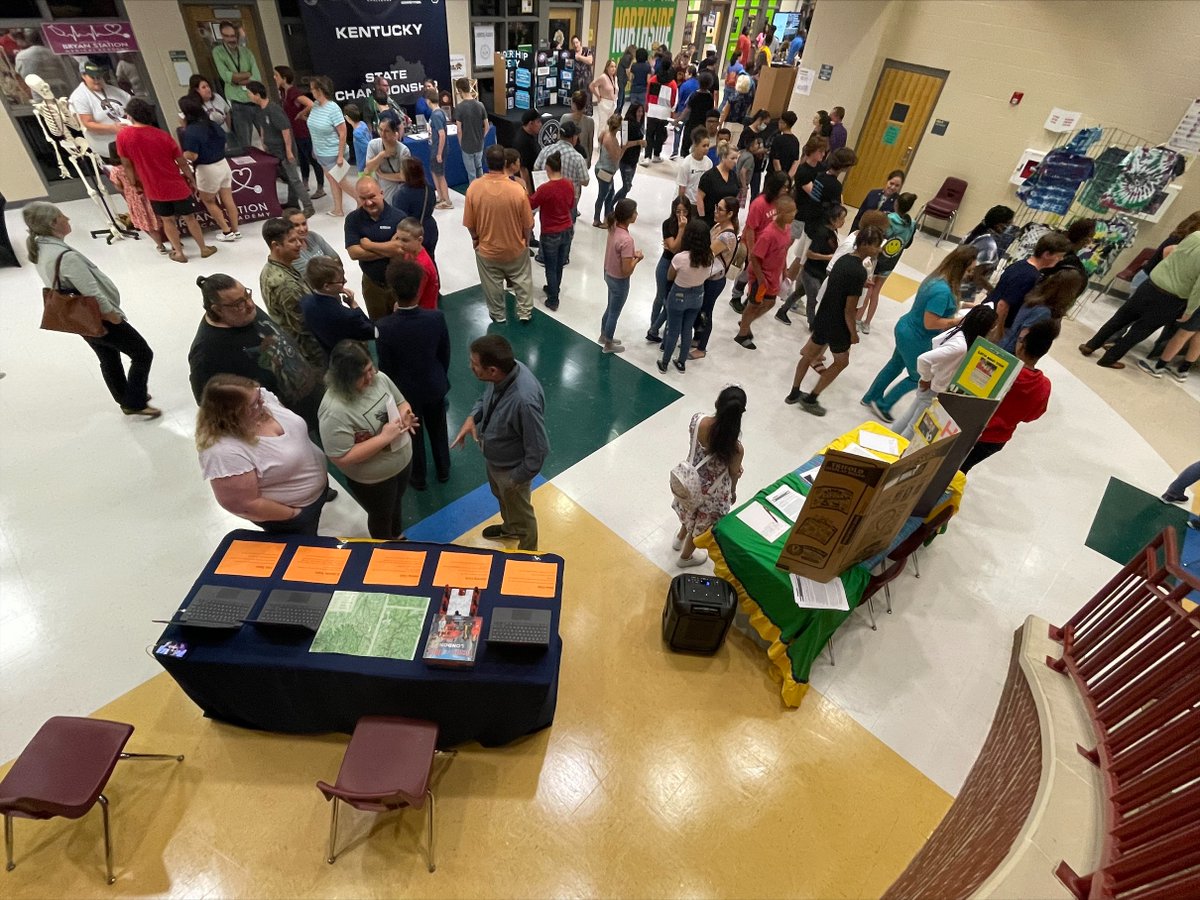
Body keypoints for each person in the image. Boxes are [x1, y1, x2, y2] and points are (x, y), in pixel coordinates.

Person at [24, 202, 159, 418]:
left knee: (107, 356)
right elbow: (92, 292)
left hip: (78, 317)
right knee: (142, 353)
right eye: (61, 216)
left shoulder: (40, 247)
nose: (67, 218)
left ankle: (124, 397)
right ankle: (135, 401)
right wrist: (112, 316)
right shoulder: (67, 257)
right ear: (52, 224)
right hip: (98, 316)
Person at [197, 375, 331, 535]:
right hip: (291, 515)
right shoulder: (223, 451)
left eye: (259, 396)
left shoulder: (261, 398)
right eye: (254, 404)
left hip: (315, 493)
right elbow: (245, 505)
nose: (262, 402)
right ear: (232, 413)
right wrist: (294, 516)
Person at [189, 274, 324, 430]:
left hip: (313, 399)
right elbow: (210, 405)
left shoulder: (245, 312)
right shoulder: (206, 352)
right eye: (239, 303)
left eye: (247, 295)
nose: (250, 305)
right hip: (285, 425)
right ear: (217, 309)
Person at [452, 335, 549, 551]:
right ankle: (510, 528)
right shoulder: (505, 373)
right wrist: (473, 417)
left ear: (492, 370)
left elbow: (539, 450)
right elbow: (487, 400)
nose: (470, 367)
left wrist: (515, 479)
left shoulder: (525, 401)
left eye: (474, 364)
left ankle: (527, 555)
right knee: (503, 500)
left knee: (524, 517)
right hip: (495, 461)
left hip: (512, 470)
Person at [860, 244, 974, 423]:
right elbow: (931, 323)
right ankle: (883, 405)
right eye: (969, 269)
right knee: (918, 376)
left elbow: (938, 307)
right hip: (917, 337)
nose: (970, 274)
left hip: (906, 328)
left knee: (895, 364)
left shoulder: (936, 279)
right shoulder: (943, 291)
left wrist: (966, 306)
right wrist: (957, 321)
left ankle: (870, 396)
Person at [319, 340, 417, 539]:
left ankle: (396, 536)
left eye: (371, 368)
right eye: (362, 375)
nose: (371, 377)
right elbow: (342, 457)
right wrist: (384, 437)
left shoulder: (380, 379)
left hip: (401, 462)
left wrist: (405, 416)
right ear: (345, 379)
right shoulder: (334, 411)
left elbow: (401, 402)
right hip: (374, 481)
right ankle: (383, 548)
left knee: (396, 503)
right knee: (381, 515)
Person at [785, 226, 884, 415]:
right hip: (838, 325)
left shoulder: (843, 260)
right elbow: (849, 310)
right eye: (875, 246)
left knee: (808, 355)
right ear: (864, 244)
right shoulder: (860, 271)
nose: (878, 250)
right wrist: (853, 333)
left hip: (823, 316)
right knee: (841, 362)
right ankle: (812, 398)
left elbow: (839, 283)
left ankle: (794, 392)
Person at [378, 259, 452, 489]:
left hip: (404, 393)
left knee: (413, 434)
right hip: (434, 385)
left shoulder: (384, 326)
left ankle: (418, 477)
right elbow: (444, 354)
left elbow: (386, 368)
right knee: (438, 429)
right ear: (420, 288)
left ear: (392, 289)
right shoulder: (435, 318)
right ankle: (443, 470)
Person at [116, 99, 216, 264]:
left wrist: (134, 184)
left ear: (131, 115)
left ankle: (179, 253)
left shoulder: (123, 136)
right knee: (189, 217)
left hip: (152, 187)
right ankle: (204, 248)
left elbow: (126, 164)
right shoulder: (163, 135)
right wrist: (191, 179)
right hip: (175, 184)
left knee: (167, 220)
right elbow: (181, 161)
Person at [960, 320, 1057, 472]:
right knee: (963, 469)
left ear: (1022, 345)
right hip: (995, 440)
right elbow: (1030, 417)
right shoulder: (1044, 385)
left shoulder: (997, 367)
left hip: (970, 430)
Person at [894, 305, 999, 439]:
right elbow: (923, 359)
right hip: (934, 387)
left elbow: (935, 343)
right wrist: (926, 378)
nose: (994, 328)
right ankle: (894, 454)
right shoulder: (960, 347)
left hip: (932, 383)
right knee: (914, 427)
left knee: (909, 416)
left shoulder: (958, 332)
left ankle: (888, 441)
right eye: (993, 325)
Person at [671, 384, 746, 568]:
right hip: (712, 495)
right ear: (740, 414)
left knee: (689, 510)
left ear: (717, 403)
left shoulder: (697, 421)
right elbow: (733, 473)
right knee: (698, 527)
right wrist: (733, 491)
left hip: (690, 481)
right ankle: (685, 557)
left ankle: (679, 538)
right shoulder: (735, 447)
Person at [464, 145, 535, 323]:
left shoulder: (474, 188)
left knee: (492, 284)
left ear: (486, 162)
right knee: (522, 279)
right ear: (504, 162)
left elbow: (470, 223)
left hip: (487, 250)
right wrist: (525, 241)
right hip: (515, 248)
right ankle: (525, 312)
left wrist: (475, 239)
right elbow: (528, 223)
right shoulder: (518, 190)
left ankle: (498, 315)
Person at [259, 217, 325, 370]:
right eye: (292, 241)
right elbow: (305, 326)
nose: (299, 245)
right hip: (310, 355)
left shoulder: (272, 268)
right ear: (276, 245)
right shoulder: (285, 284)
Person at [735, 195, 797, 350]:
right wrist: (761, 279)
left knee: (769, 303)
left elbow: (783, 251)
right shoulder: (769, 234)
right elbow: (755, 257)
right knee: (754, 304)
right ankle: (742, 333)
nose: (794, 215)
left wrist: (784, 269)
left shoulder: (787, 229)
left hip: (774, 275)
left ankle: (745, 322)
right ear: (781, 213)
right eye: (791, 212)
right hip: (761, 276)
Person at [246, 80, 315, 217]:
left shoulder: (273, 109)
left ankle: (308, 206)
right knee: (287, 178)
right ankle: (292, 203)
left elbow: (285, 130)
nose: (248, 96)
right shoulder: (260, 111)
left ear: (257, 94)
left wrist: (289, 150)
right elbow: (262, 127)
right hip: (273, 151)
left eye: (249, 93)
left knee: (294, 179)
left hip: (283, 150)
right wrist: (263, 142)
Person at [178, 94, 241, 240]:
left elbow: (192, 155)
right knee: (228, 198)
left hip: (207, 169)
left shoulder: (191, 131)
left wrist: (183, 154)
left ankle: (226, 232)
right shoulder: (212, 124)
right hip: (223, 164)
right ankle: (236, 229)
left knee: (208, 200)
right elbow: (223, 141)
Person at [344, 177, 406, 319]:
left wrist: (369, 245)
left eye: (372, 197)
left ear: (382, 193)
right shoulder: (353, 220)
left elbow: (401, 249)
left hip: (398, 283)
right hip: (372, 284)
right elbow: (354, 253)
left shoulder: (399, 217)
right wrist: (389, 249)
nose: (368, 203)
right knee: (379, 326)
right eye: (363, 198)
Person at [858, 191, 918, 334]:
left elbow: (878, 237)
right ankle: (867, 323)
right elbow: (908, 244)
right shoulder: (912, 224)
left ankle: (857, 318)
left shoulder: (889, 219)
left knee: (868, 290)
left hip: (877, 259)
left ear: (896, 203)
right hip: (891, 262)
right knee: (876, 292)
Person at [729, 170, 789, 309]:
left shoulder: (781, 204)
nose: (786, 190)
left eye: (788, 187)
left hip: (769, 248)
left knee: (757, 276)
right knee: (746, 273)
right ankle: (736, 296)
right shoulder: (759, 203)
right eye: (784, 187)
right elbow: (750, 229)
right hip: (754, 244)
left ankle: (751, 298)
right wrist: (751, 251)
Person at [778, 203, 845, 327]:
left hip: (818, 271)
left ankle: (782, 311)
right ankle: (812, 323)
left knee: (799, 293)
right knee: (812, 301)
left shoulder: (832, 233)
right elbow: (810, 253)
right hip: (812, 272)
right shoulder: (821, 233)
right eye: (841, 219)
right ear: (832, 218)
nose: (843, 222)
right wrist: (829, 257)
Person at [988, 232, 1070, 330]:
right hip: (995, 322)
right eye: (1059, 256)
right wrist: (999, 331)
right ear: (1047, 254)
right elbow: (1003, 305)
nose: (1060, 259)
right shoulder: (1029, 276)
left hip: (988, 312)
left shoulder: (1020, 264)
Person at [691, 196, 739, 359]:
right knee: (700, 309)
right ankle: (697, 338)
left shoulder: (727, 236)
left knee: (706, 312)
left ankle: (701, 348)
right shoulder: (719, 226)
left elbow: (708, 253)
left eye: (720, 209)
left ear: (730, 213)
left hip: (714, 280)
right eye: (716, 207)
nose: (716, 211)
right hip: (707, 276)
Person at [300, 255, 374, 359]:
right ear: (326, 286)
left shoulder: (305, 302)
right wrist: (354, 305)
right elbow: (372, 332)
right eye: (341, 281)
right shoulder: (348, 316)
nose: (345, 281)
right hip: (354, 360)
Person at [530, 151, 575, 312]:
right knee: (559, 264)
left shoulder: (544, 189)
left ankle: (553, 298)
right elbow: (571, 205)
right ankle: (554, 288)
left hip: (550, 232)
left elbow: (531, 203)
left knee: (550, 265)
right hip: (567, 229)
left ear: (547, 168)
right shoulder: (569, 184)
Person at [646, 198, 695, 343]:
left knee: (673, 301)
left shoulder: (693, 226)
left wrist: (677, 244)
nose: (681, 215)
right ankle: (653, 328)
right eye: (678, 211)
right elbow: (674, 248)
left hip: (683, 267)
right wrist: (681, 230)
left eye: (684, 211)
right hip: (666, 263)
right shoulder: (668, 224)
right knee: (660, 297)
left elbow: (683, 248)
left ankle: (664, 329)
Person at [1001, 269, 1085, 353]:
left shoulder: (1035, 298)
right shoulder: (1044, 311)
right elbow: (1023, 337)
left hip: (1006, 343)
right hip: (1012, 351)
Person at [308, 76, 357, 217]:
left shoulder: (333, 108)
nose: (311, 91)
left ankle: (361, 200)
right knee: (333, 181)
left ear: (320, 90)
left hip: (334, 153)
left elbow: (343, 133)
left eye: (313, 89)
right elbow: (314, 129)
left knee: (342, 181)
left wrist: (340, 156)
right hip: (321, 152)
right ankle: (338, 209)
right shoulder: (316, 106)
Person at [600, 199, 644, 353]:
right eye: (635, 212)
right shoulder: (627, 240)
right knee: (614, 312)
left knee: (610, 307)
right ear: (628, 216)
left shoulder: (613, 227)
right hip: (619, 280)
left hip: (608, 273)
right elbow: (626, 270)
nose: (637, 215)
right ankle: (608, 344)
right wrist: (637, 258)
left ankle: (603, 335)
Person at [211, 21, 262, 151]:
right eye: (227, 36)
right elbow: (226, 76)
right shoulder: (218, 52)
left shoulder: (246, 52)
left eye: (233, 36)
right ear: (222, 36)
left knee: (268, 137)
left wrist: (237, 79)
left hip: (254, 100)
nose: (231, 39)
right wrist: (246, 75)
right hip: (238, 103)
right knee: (245, 143)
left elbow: (256, 78)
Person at [274, 65, 323, 199]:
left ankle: (320, 187)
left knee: (312, 159)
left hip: (303, 131)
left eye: (276, 76)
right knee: (302, 158)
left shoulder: (293, 92)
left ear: (284, 78)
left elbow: (310, 104)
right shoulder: (284, 93)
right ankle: (305, 183)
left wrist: (300, 114)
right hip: (295, 132)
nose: (274, 78)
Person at [69, 61, 130, 158]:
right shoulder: (79, 96)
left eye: (99, 77)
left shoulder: (115, 91)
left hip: (129, 144)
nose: (97, 80)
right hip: (108, 151)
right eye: (93, 77)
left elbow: (130, 107)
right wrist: (113, 128)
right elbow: (88, 123)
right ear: (83, 76)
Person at [534, 120, 590, 223]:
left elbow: (536, 168)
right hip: (568, 201)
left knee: (548, 227)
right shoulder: (577, 157)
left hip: (548, 199)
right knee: (567, 230)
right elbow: (585, 181)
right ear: (573, 138)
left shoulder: (545, 150)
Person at [389, 157, 439, 265]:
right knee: (429, 260)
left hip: (411, 233)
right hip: (430, 229)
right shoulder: (428, 188)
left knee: (414, 265)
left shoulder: (401, 194)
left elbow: (399, 218)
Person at [961, 205, 1016, 297]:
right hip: (964, 283)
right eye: (1010, 224)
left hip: (956, 276)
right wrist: (993, 291)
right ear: (999, 225)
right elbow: (977, 276)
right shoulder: (989, 244)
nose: (1012, 226)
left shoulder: (977, 232)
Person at [14, 29, 77, 100]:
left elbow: (20, 79)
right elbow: (75, 69)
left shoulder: (22, 56)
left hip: (43, 98)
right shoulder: (59, 53)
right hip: (66, 94)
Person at [362, 116, 410, 204]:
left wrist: (382, 175)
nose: (383, 134)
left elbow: (404, 176)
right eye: (380, 130)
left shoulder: (403, 150)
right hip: (377, 190)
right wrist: (382, 155)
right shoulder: (373, 144)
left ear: (394, 133)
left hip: (395, 192)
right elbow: (368, 169)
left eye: (387, 131)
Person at [395, 218, 440, 310]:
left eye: (405, 240)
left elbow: (414, 299)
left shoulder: (422, 266)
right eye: (398, 239)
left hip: (423, 312)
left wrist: (399, 308)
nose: (400, 244)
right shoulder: (409, 252)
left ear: (419, 240)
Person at [454, 77, 491, 184]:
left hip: (466, 145)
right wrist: (481, 138)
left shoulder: (460, 107)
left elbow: (459, 130)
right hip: (479, 144)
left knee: (471, 173)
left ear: (460, 90)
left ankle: (473, 196)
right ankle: (482, 193)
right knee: (479, 168)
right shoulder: (480, 105)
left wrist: (461, 143)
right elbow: (487, 126)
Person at [284, 207, 339, 277]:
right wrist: (328, 260)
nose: (302, 229)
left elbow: (336, 258)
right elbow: (313, 276)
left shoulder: (313, 236)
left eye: (304, 224)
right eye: (296, 225)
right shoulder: (290, 251)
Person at [696, 143, 741, 225]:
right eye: (732, 158)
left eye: (737, 158)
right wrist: (702, 221)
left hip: (727, 221)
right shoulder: (709, 176)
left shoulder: (734, 176)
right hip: (710, 220)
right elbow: (699, 199)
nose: (735, 162)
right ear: (723, 157)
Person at [593, 113, 624, 226]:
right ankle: (598, 219)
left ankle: (605, 218)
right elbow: (616, 158)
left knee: (609, 193)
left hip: (600, 167)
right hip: (605, 171)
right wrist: (624, 148)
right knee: (604, 195)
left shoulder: (604, 133)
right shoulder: (611, 140)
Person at [644, 63, 678, 163]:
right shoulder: (672, 83)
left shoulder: (653, 80)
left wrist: (647, 107)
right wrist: (672, 111)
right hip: (665, 112)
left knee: (649, 134)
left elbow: (647, 95)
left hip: (652, 110)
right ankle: (656, 155)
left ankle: (647, 156)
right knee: (660, 135)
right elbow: (674, 100)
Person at [614, 102, 646, 203]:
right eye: (638, 111)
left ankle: (620, 205)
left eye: (642, 111)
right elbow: (624, 144)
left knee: (628, 186)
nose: (640, 114)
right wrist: (638, 142)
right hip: (625, 160)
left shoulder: (639, 124)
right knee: (626, 187)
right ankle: (611, 204)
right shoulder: (625, 124)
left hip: (634, 159)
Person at [427, 90, 453, 208]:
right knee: (434, 171)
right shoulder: (441, 112)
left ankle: (447, 200)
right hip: (437, 147)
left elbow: (442, 134)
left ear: (428, 100)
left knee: (440, 174)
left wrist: (439, 153)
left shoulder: (436, 115)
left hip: (438, 148)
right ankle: (441, 196)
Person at [681, 71, 716, 156]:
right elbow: (710, 112)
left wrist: (679, 119)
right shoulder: (710, 97)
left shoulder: (694, 95)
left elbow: (687, 109)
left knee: (686, 145)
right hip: (703, 125)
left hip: (692, 123)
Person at [676, 127, 713, 203]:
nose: (706, 148)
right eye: (704, 146)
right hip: (687, 202)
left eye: (708, 145)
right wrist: (682, 204)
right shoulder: (686, 164)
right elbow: (682, 187)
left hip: (699, 202)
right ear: (695, 145)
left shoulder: (709, 163)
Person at [670, 66, 699, 159]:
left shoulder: (684, 85)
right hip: (693, 114)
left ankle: (675, 152)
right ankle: (687, 152)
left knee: (678, 131)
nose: (685, 75)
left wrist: (675, 112)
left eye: (686, 73)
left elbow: (679, 98)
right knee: (689, 133)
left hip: (682, 111)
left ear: (690, 74)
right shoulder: (698, 85)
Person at [562, 90, 596, 166]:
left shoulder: (564, 118)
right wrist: (589, 159)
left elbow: (560, 139)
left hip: (567, 157)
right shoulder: (590, 121)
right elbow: (590, 143)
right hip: (583, 158)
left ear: (573, 104)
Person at [513, 109, 543, 193]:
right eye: (538, 122)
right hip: (529, 180)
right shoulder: (522, 142)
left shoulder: (531, 134)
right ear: (530, 123)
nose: (540, 125)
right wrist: (529, 192)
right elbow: (523, 169)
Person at [769, 110, 801, 177]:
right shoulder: (795, 141)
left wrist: (780, 177)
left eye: (780, 122)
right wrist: (788, 177)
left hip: (774, 175)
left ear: (785, 124)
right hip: (787, 174)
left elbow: (776, 160)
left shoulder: (778, 139)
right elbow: (795, 161)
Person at [735, 135, 766, 206]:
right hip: (741, 185)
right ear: (751, 146)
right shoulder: (750, 158)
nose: (758, 145)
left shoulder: (743, 153)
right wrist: (744, 187)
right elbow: (743, 172)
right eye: (756, 144)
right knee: (737, 205)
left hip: (737, 183)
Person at [591, 58, 618, 132]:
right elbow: (591, 86)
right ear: (607, 67)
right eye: (611, 66)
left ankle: (607, 142)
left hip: (612, 104)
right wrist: (598, 96)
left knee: (609, 126)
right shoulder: (603, 77)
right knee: (603, 125)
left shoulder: (615, 78)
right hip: (604, 103)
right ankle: (600, 142)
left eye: (615, 67)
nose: (613, 68)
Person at [717, 52, 746, 121]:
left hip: (727, 86)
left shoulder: (730, 65)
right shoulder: (740, 66)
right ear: (738, 57)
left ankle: (718, 114)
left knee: (724, 101)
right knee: (730, 104)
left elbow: (726, 75)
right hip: (734, 87)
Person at [571, 36, 595, 113]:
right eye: (574, 43)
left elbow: (590, 61)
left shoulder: (587, 50)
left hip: (586, 81)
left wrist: (579, 57)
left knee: (587, 99)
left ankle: (587, 113)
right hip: (576, 82)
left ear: (580, 42)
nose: (575, 45)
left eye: (577, 42)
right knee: (577, 100)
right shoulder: (571, 53)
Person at [345, 104, 370, 174]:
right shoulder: (362, 124)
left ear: (347, 118)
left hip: (364, 167)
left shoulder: (357, 133)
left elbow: (367, 149)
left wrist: (367, 166)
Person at [615, 45, 635, 113]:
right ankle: (617, 113)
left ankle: (618, 113)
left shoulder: (626, 57)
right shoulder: (627, 58)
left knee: (622, 99)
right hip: (621, 80)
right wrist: (630, 79)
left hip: (622, 80)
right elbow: (627, 70)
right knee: (620, 99)